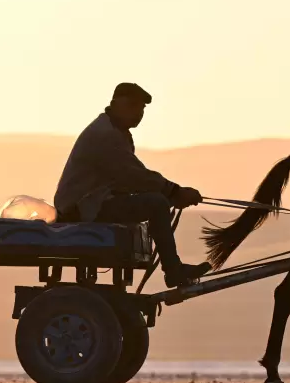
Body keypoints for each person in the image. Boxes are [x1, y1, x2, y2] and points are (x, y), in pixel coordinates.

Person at [54, 82, 209, 287]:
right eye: (134, 106)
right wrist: (175, 192)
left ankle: (174, 268)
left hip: (93, 203)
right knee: (156, 204)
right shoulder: (106, 135)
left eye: (142, 109)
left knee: (156, 201)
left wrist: (172, 195)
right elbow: (133, 176)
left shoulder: (114, 131)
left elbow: (127, 180)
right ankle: (173, 270)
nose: (139, 113)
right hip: (83, 208)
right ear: (116, 104)